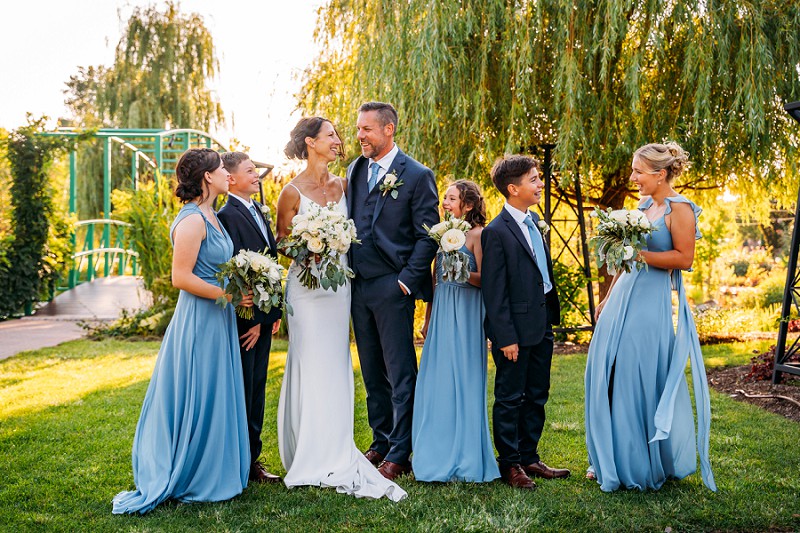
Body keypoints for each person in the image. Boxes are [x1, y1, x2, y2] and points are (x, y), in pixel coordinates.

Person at [112, 148, 251, 514]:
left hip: (217, 317)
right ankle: (189, 471)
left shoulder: (212, 215)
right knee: (198, 390)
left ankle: (211, 466)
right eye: (222, 169)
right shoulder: (192, 220)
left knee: (213, 392)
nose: (227, 173)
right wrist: (230, 294)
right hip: (199, 320)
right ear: (208, 177)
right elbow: (181, 277)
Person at [275, 116, 406, 501]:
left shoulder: (345, 184)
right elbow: (281, 241)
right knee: (310, 363)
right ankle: (309, 451)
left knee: (334, 363)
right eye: (331, 135)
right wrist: (308, 248)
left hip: (338, 289)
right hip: (305, 290)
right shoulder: (290, 192)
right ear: (311, 142)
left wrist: (335, 243)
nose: (339, 140)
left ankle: (335, 447)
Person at [584, 142, 717, 492]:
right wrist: (608, 296)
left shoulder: (681, 209)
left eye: (638, 172)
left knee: (634, 375)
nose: (633, 178)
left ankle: (637, 460)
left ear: (660, 174)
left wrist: (640, 254)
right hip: (622, 296)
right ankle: (607, 456)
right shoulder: (644, 205)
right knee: (607, 370)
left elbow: (683, 259)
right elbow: (626, 260)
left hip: (649, 304)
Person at [347, 101, 440, 480]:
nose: (359, 136)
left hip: (392, 286)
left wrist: (405, 280)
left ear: (388, 130)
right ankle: (381, 440)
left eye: (366, 129)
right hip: (358, 286)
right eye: (357, 129)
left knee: (400, 372)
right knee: (372, 370)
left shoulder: (417, 175)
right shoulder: (355, 169)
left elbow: (427, 236)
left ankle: (401, 451)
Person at [481, 155, 568, 490]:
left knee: (537, 393)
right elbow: (494, 290)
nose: (540, 184)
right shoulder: (496, 231)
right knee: (510, 396)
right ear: (513, 188)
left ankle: (530, 455)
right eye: (533, 180)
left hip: (541, 321)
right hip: (513, 331)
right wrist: (505, 337)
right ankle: (511, 464)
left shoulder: (534, 223)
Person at [411, 180, 500, 483]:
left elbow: (487, 279)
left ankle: (466, 456)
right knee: (437, 380)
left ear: (469, 205)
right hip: (442, 314)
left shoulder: (478, 235)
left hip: (467, 313)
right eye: (445, 198)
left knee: (463, 379)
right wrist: (426, 319)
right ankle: (434, 453)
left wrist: (462, 270)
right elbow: (436, 281)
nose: (445, 203)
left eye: (452, 198)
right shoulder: (442, 236)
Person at [217, 152, 283, 485]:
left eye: (255, 171)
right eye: (249, 171)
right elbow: (237, 271)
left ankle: (252, 458)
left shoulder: (257, 209)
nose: (256, 176)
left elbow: (268, 263)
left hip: (264, 313)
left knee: (257, 387)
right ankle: (242, 460)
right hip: (247, 319)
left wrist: (275, 311)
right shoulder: (227, 215)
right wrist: (254, 317)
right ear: (230, 179)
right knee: (245, 387)